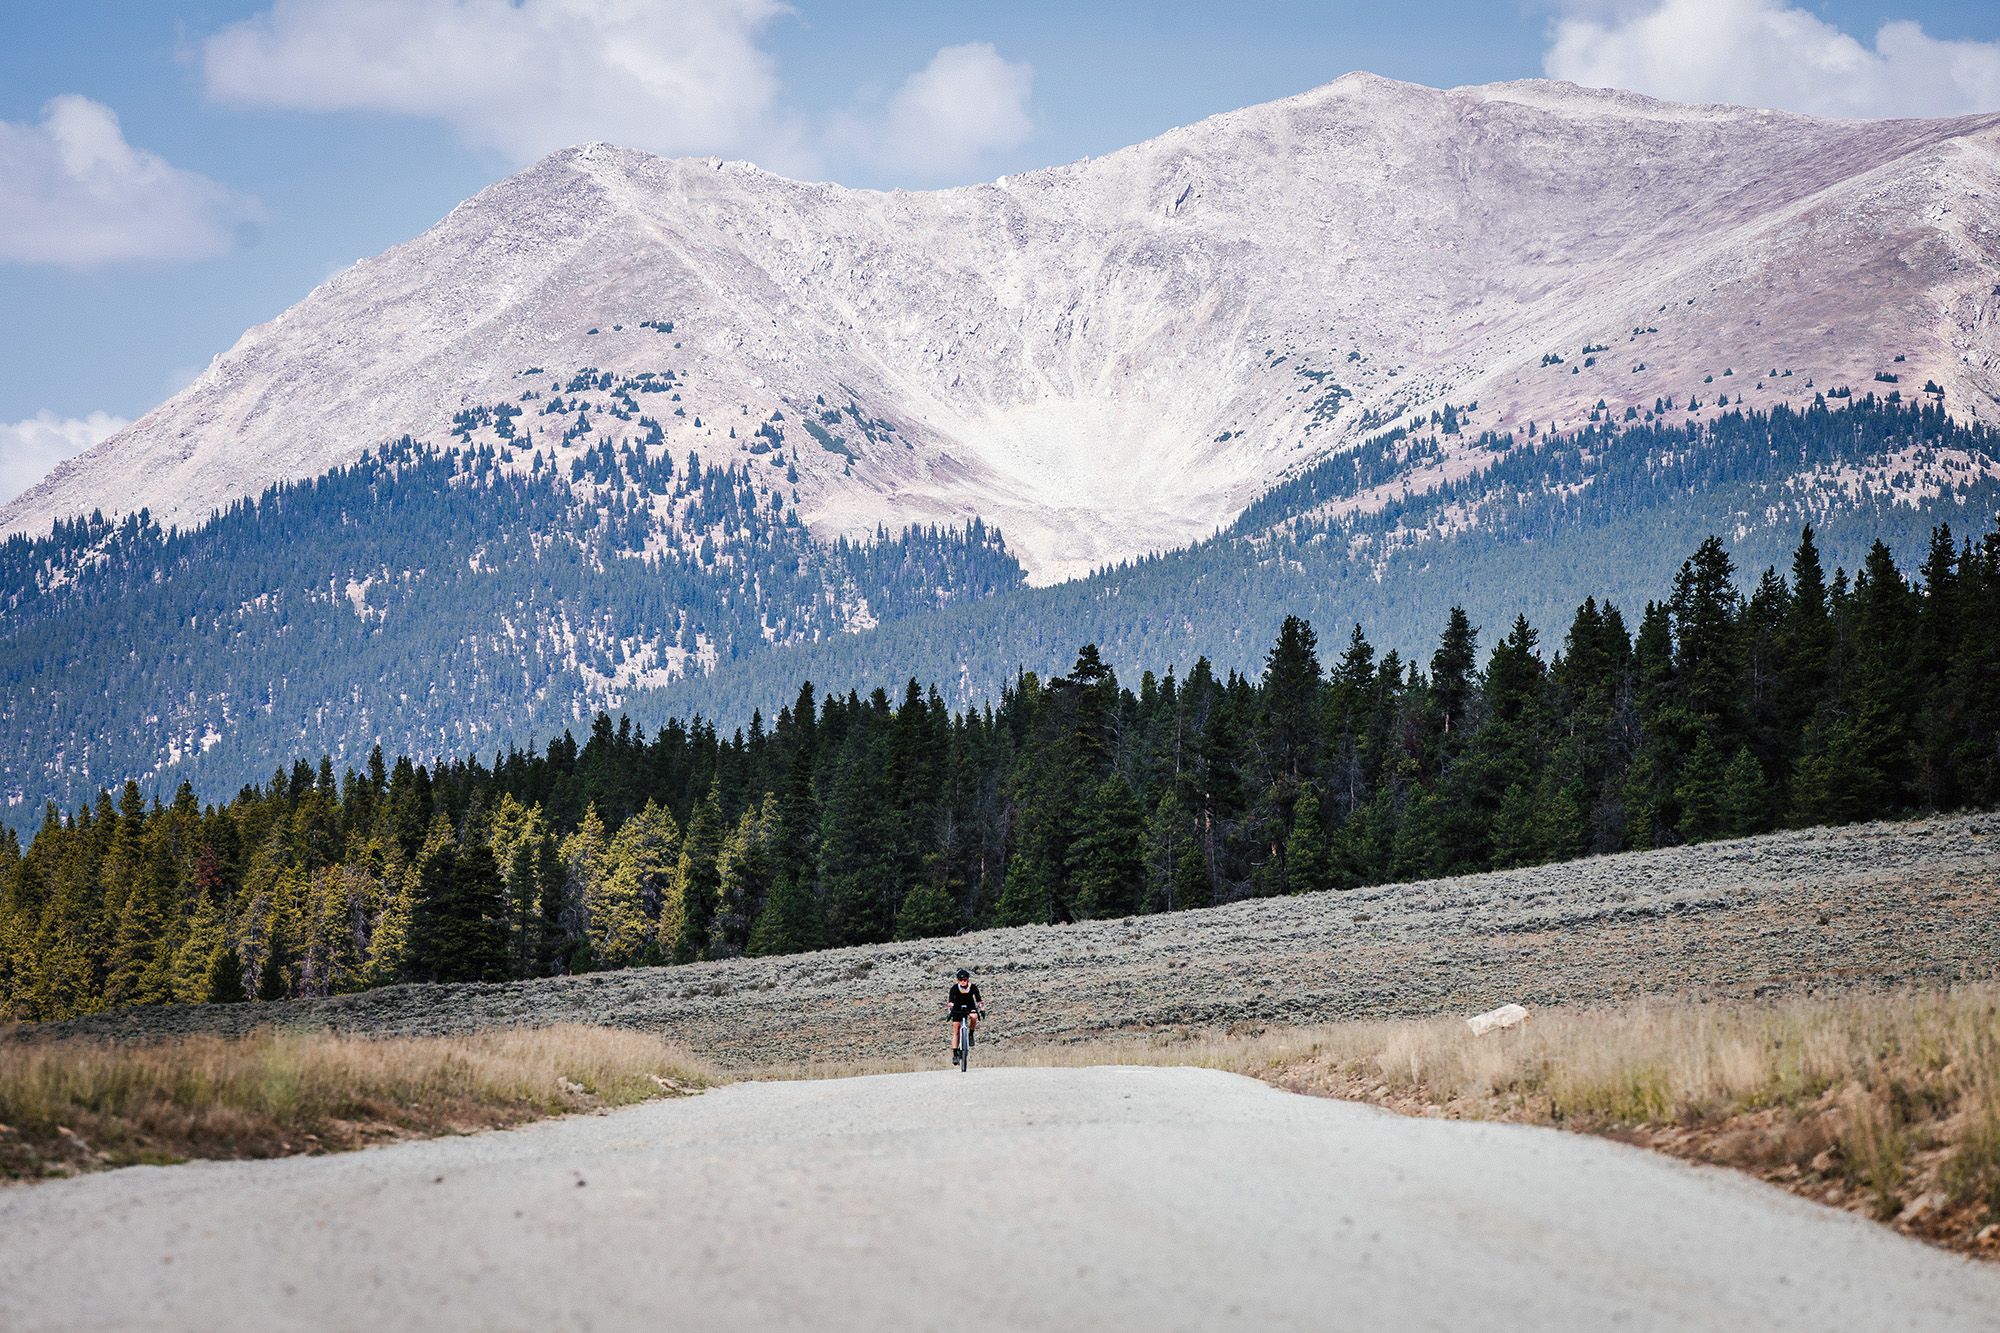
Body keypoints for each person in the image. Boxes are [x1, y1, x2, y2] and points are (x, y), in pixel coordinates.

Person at [946, 969, 984, 1065]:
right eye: (961, 980)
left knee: (974, 1017)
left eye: (965, 979)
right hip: (957, 1007)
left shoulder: (973, 987)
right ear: (958, 980)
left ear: (968, 980)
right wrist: (949, 1011)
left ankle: (970, 1034)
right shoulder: (954, 988)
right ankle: (955, 1054)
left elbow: (979, 1000)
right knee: (956, 1030)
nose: (963, 982)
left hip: (970, 1005)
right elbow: (950, 1002)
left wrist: (982, 1009)